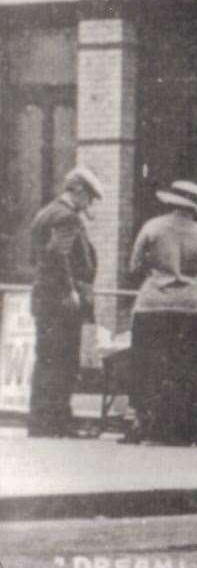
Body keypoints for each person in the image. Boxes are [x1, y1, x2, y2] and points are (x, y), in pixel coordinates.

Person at [126, 180, 197, 445]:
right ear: (195, 207)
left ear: (170, 201)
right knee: (189, 368)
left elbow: (134, 267)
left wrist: (156, 276)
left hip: (152, 305)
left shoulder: (152, 228)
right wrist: (192, 283)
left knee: (147, 364)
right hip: (191, 308)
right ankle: (184, 428)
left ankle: (142, 422)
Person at [27, 166, 102, 438]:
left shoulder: (45, 213)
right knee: (63, 362)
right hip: (61, 303)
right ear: (78, 190)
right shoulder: (67, 217)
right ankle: (57, 421)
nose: (90, 203)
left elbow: (37, 258)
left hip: (44, 299)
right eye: (90, 197)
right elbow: (59, 255)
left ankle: (41, 422)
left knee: (46, 359)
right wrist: (70, 291)